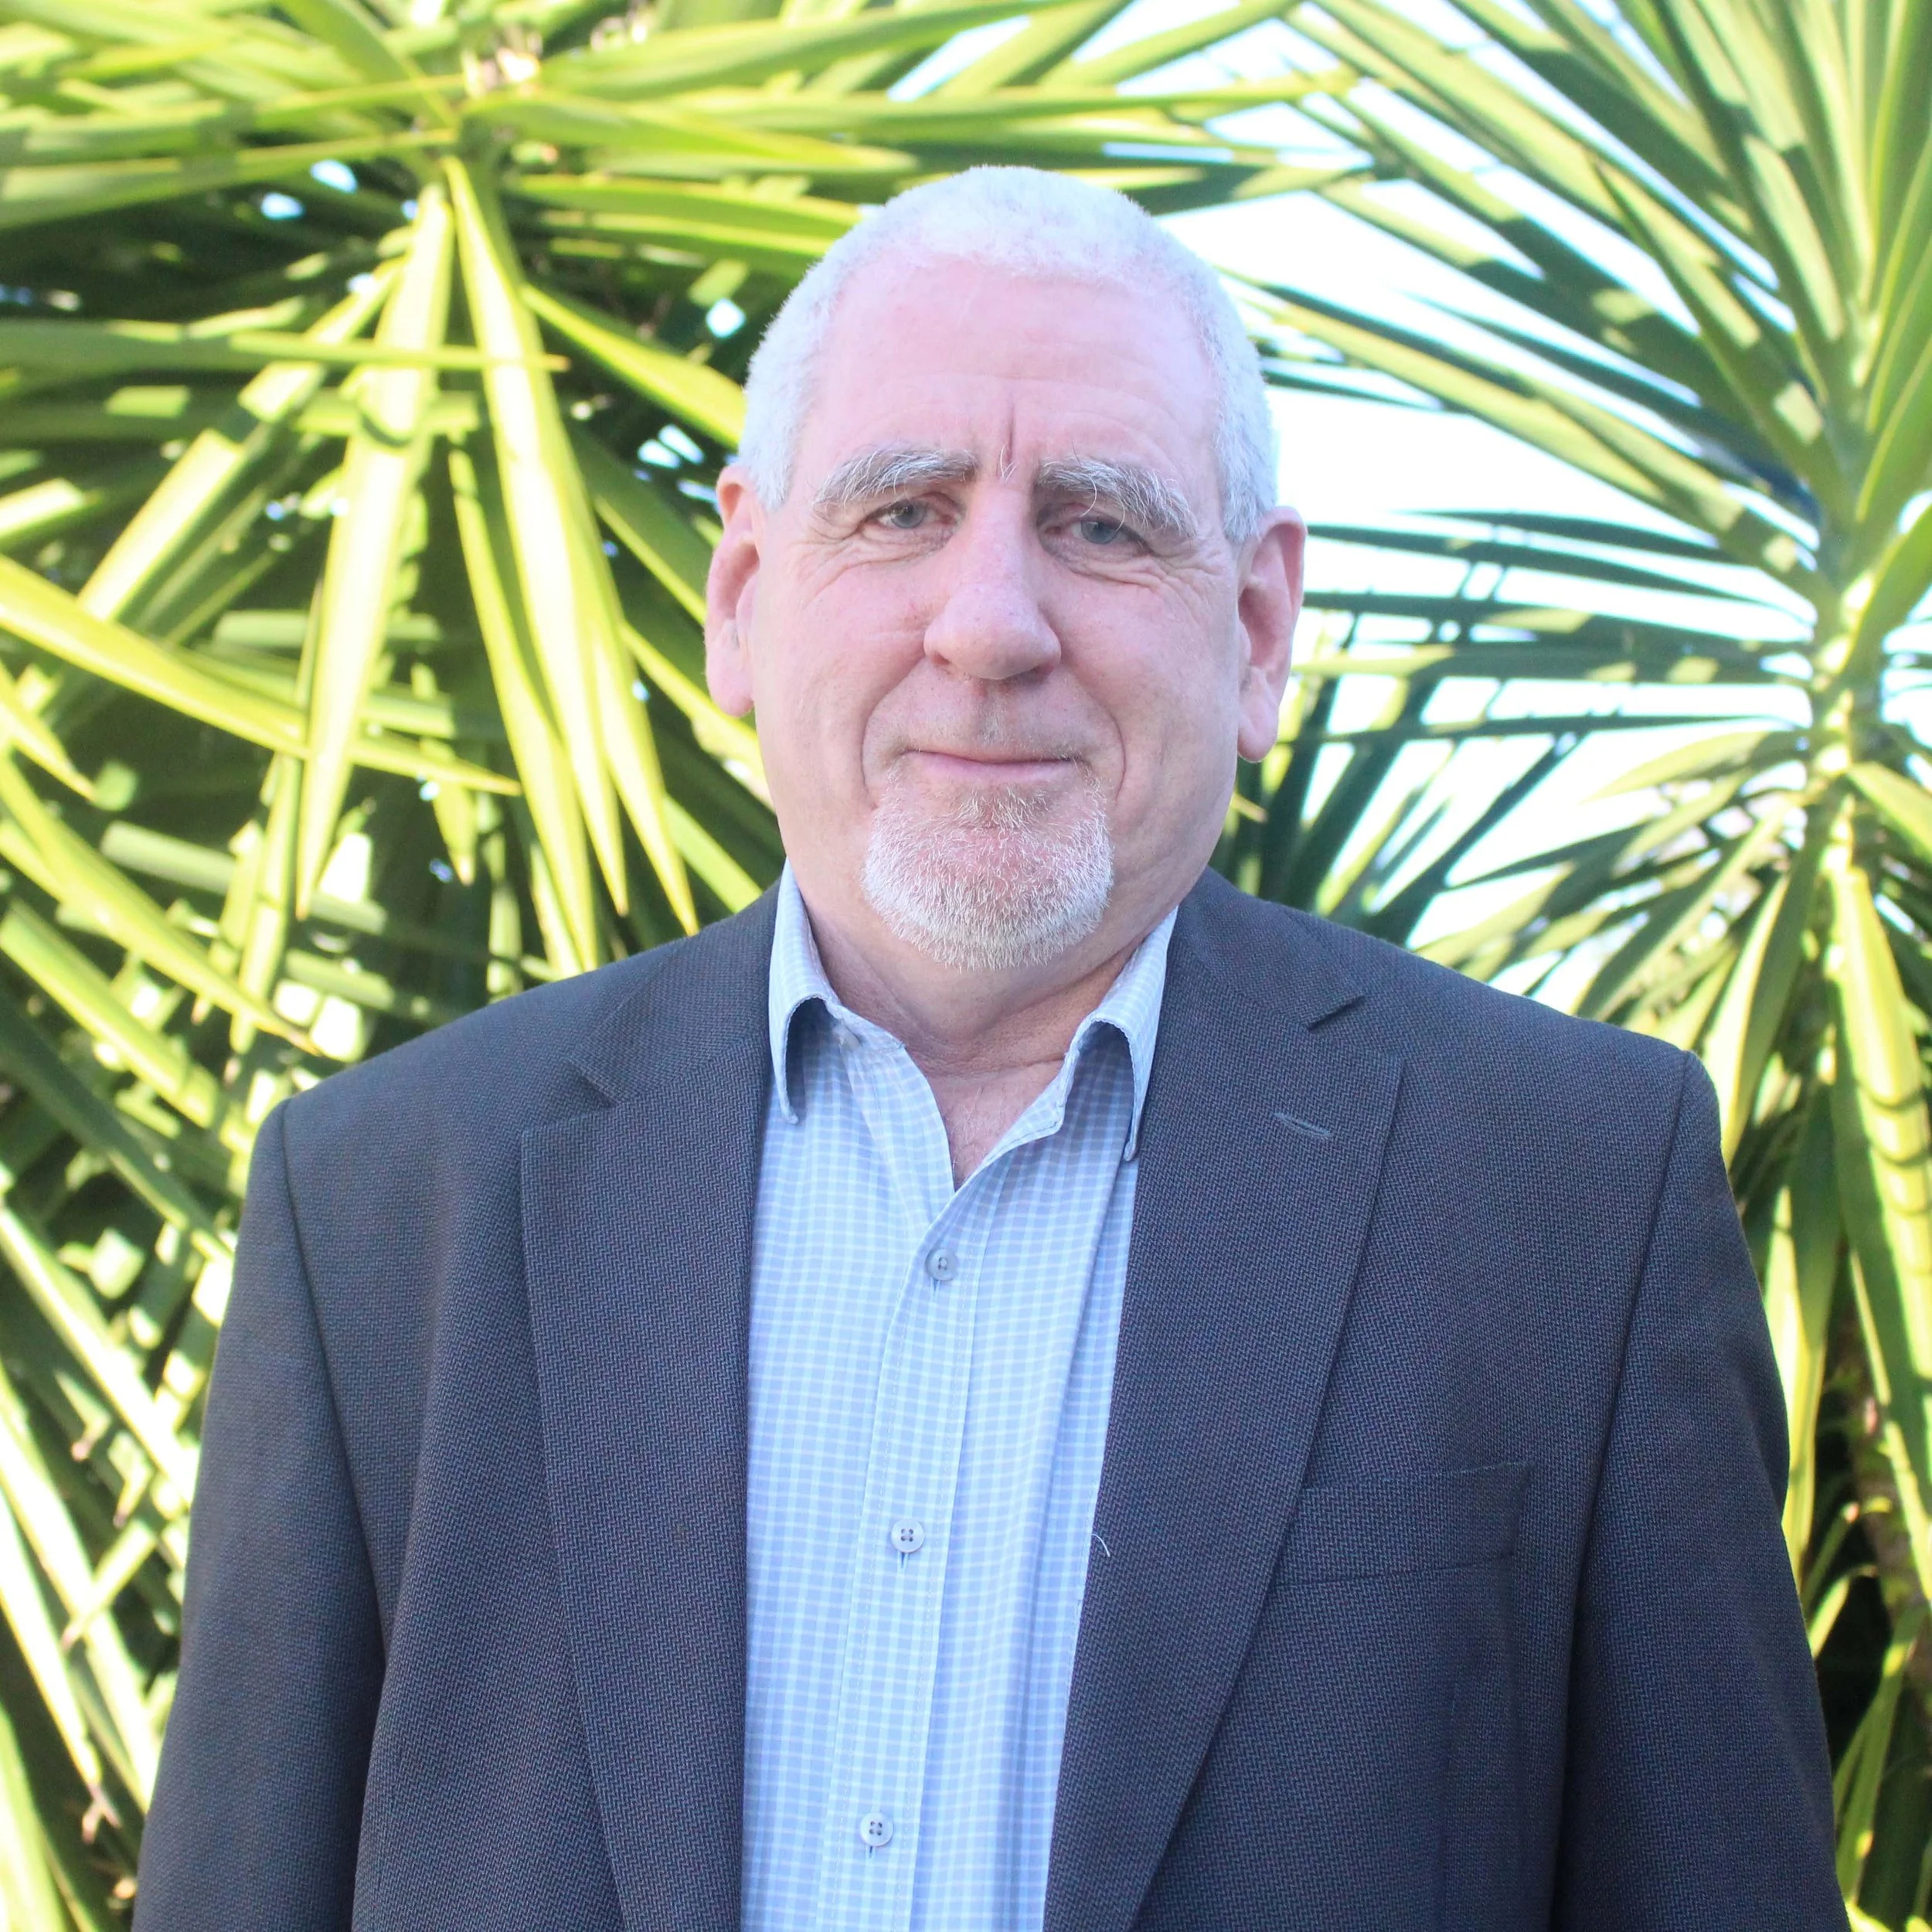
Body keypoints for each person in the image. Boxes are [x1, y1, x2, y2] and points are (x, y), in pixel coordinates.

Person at [135, 166, 1844, 1931]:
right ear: (739, 593)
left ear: (1254, 630)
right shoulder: (381, 1204)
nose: (991, 623)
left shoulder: (1568, 1193)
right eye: (899, 511)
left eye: (1101, 525)